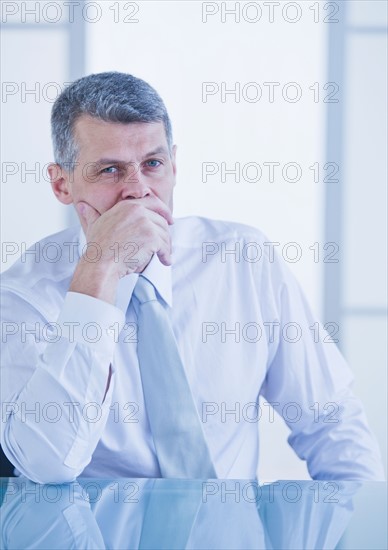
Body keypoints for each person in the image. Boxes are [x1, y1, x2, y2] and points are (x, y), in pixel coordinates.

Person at [0, 72, 384, 483]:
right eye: (110, 170)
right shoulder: (22, 297)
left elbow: (331, 423)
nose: (138, 189)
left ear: (175, 165)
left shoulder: (244, 260)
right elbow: (45, 465)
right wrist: (99, 270)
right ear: (62, 184)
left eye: (152, 164)